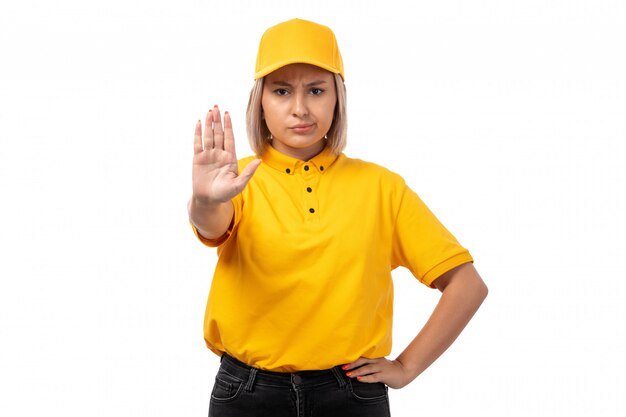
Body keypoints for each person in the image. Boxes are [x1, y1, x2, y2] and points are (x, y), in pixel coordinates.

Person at [188, 18, 488, 417]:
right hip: (247, 393)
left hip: (351, 395)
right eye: (281, 91)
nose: (300, 108)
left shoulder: (382, 187)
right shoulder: (239, 180)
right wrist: (205, 198)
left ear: (337, 98)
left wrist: (406, 367)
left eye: (316, 90)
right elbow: (211, 224)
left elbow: (467, 284)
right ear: (260, 101)